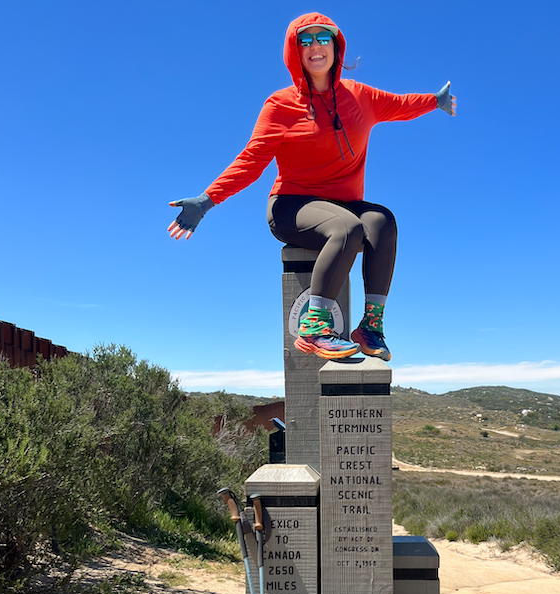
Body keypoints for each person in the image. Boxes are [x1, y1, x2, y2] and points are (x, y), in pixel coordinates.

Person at [168, 12, 456, 362]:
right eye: (306, 40)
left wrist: (434, 101)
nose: (315, 46)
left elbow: (399, 105)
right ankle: (315, 327)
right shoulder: (281, 105)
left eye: (323, 38)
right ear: (295, 50)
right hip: (291, 206)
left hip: (342, 203)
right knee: (347, 228)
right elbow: (251, 160)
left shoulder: (360, 96)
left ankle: (370, 326)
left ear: (336, 46)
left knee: (382, 221)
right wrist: (207, 200)